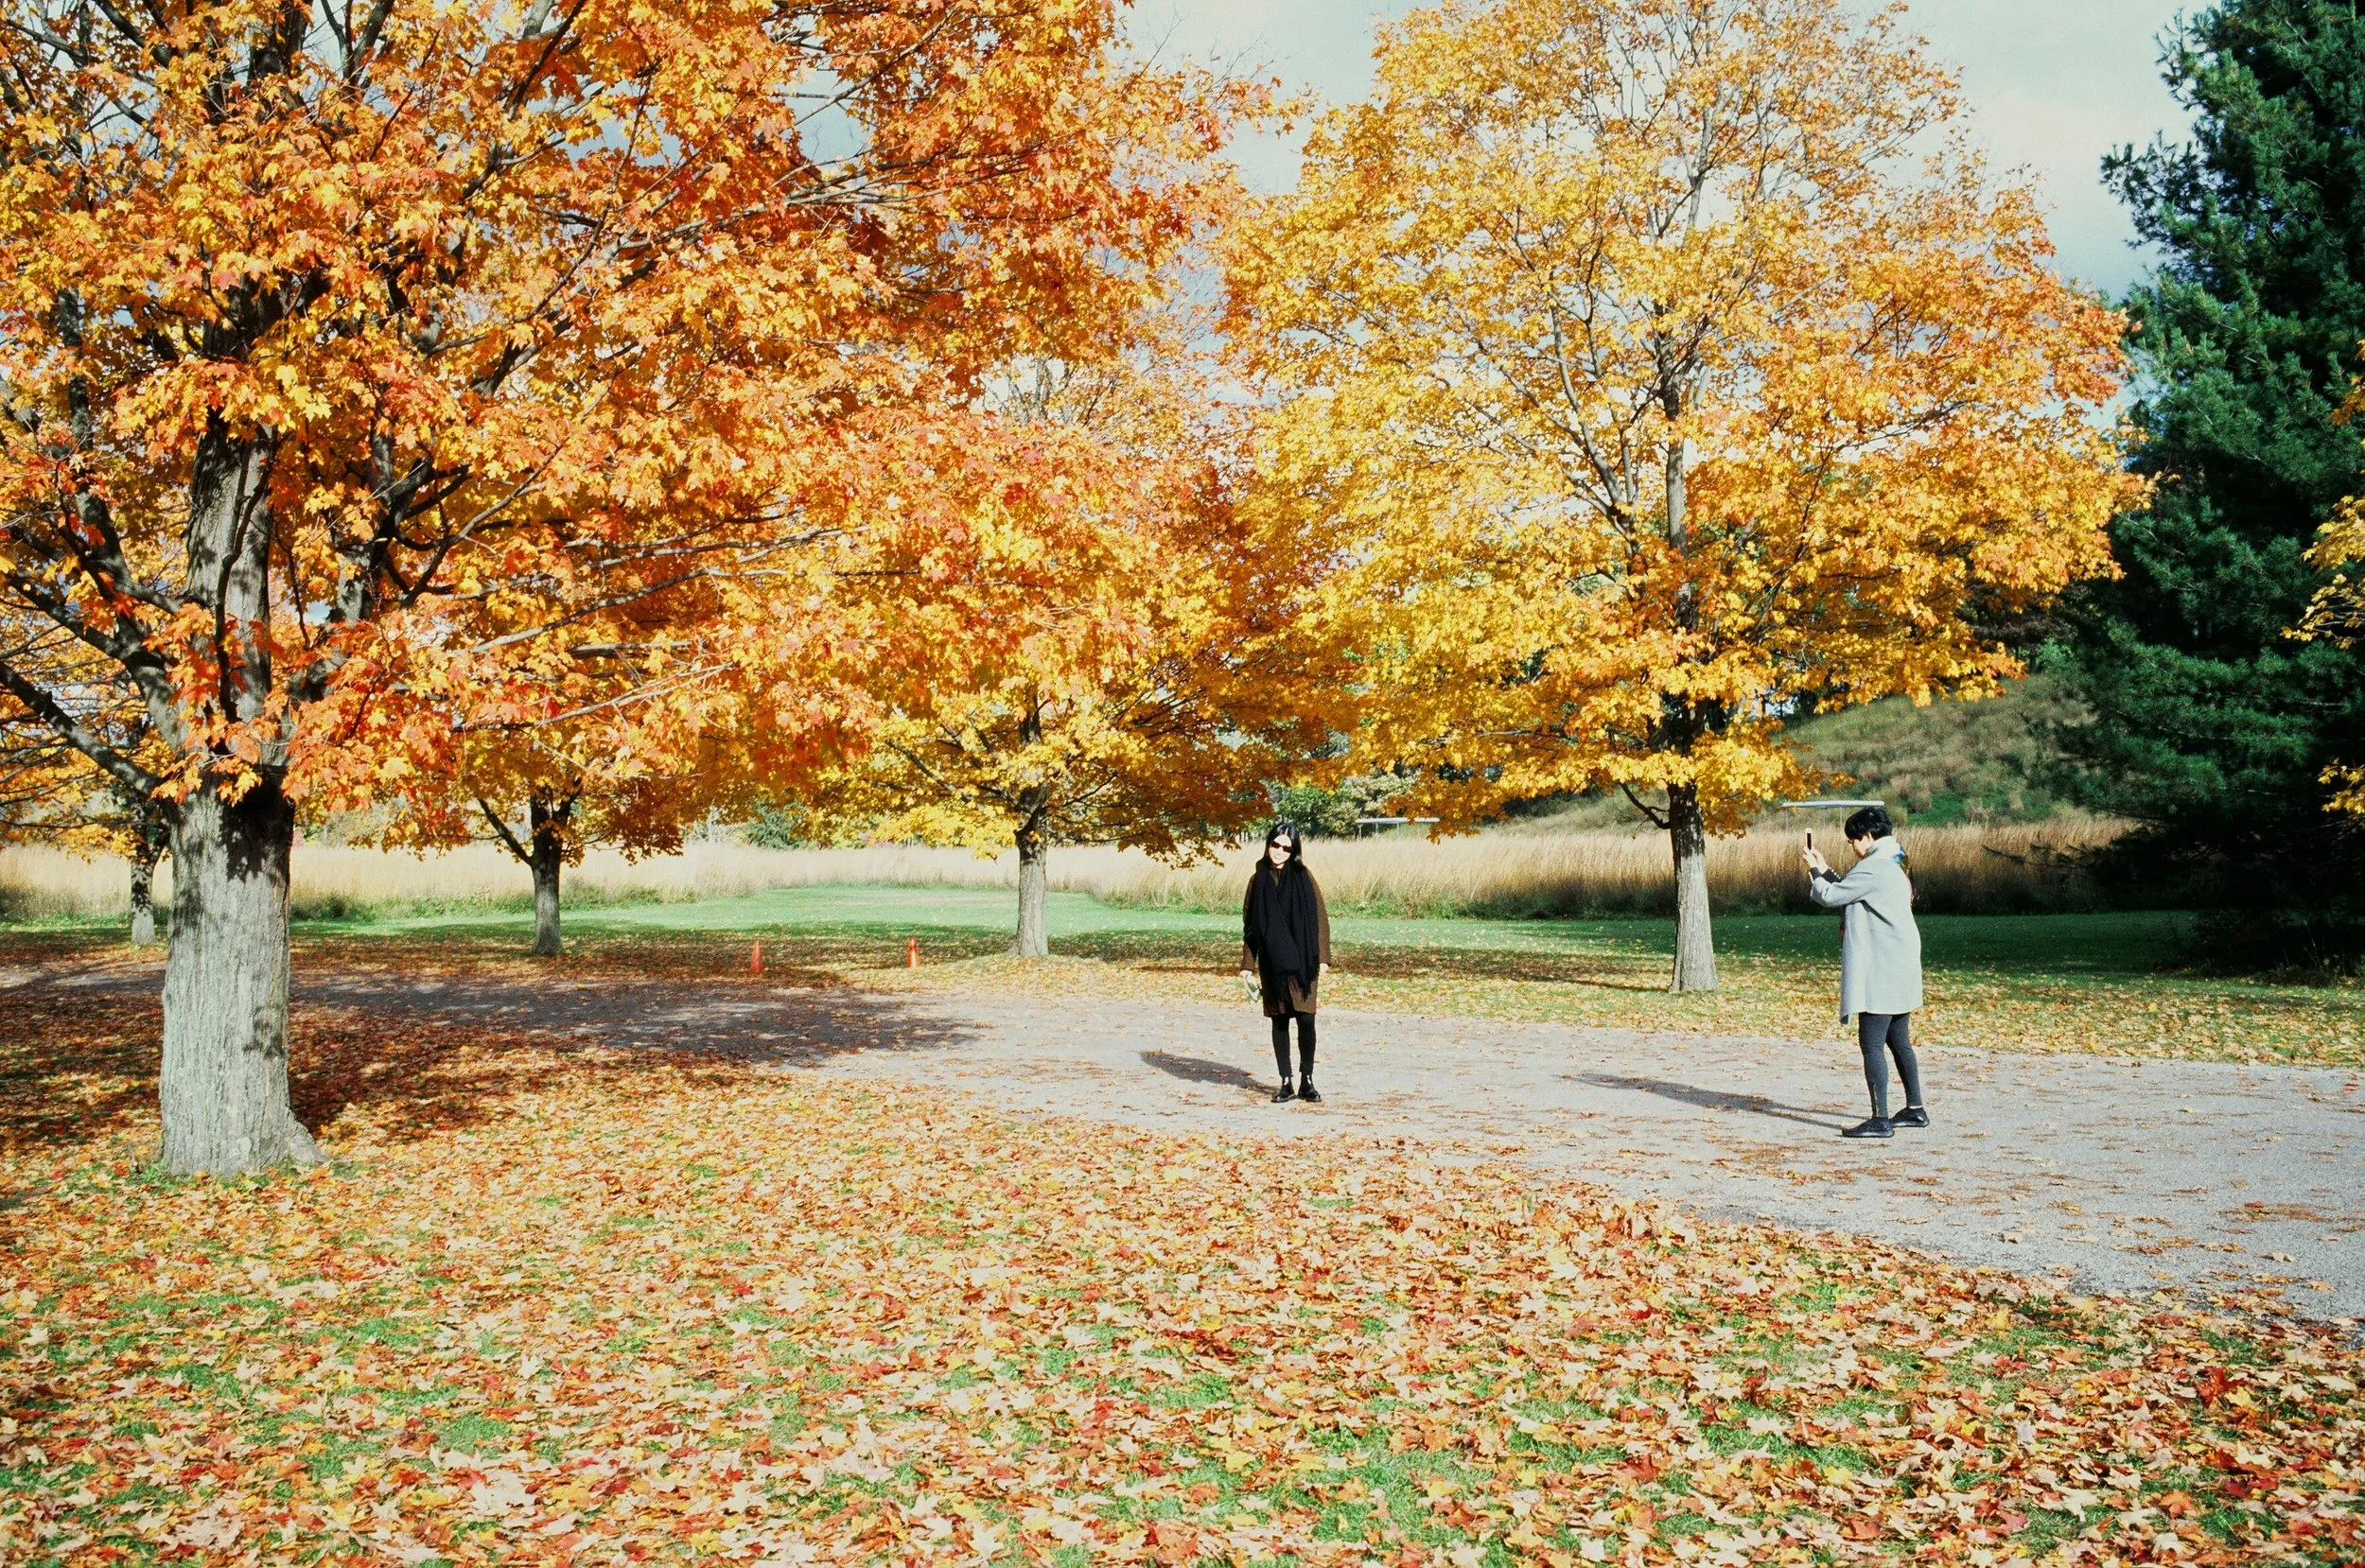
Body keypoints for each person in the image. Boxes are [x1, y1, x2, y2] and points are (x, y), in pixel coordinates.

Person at [1802, 805, 1927, 1140]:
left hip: (1881, 968)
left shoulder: (1872, 868)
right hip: (1900, 963)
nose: (1852, 847)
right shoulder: (1897, 860)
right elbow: (1850, 889)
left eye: (1852, 840)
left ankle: (1880, 1119)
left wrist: (1814, 871)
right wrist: (1826, 868)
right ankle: (1915, 1109)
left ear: (1867, 836)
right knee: (1899, 1040)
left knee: (1871, 1043)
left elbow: (1830, 896)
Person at [1240, 822, 1332, 1104]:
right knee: (1279, 1022)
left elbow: (1320, 920)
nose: (1279, 852)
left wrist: (1324, 958)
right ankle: (1286, 1081)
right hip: (1273, 962)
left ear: (1294, 851)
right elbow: (1251, 926)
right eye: (1275, 845)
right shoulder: (1258, 880)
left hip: (1304, 961)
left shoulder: (1304, 877)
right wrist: (1247, 965)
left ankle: (1307, 1080)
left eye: (1286, 848)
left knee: (1306, 1019)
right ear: (1268, 845)